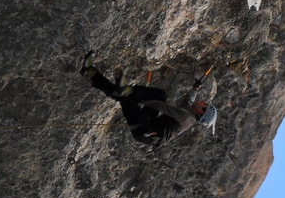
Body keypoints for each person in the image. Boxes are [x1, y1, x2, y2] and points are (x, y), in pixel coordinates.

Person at [79, 51, 217, 148]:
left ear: (201, 111)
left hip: (144, 130)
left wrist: (139, 101)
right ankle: (121, 88)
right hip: (149, 126)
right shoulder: (190, 114)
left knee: (126, 98)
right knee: (158, 94)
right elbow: (190, 100)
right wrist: (196, 86)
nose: (203, 102)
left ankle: (91, 73)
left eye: (204, 105)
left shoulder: (186, 117)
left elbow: (161, 106)